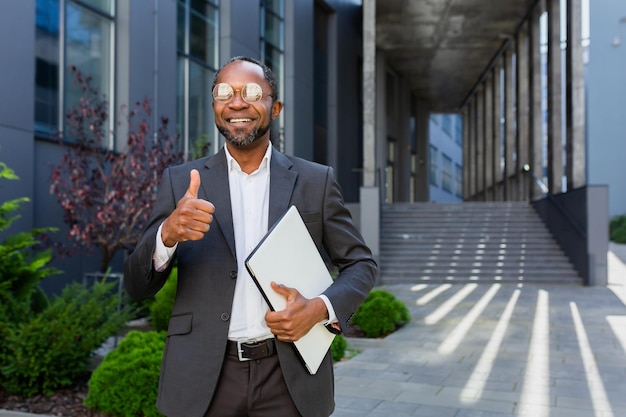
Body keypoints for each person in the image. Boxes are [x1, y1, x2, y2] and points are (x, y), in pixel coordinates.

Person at [124, 56, 378, 417]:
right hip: (203, 379)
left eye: (252, 92)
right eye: (224, 92)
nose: (237, 102)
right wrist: (167, 235)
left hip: (288, 378)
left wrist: (319, 309)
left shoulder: (315, 181)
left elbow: (361, 265)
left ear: (275, 108)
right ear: (215, 105)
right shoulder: (181, 182)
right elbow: (136, 285)